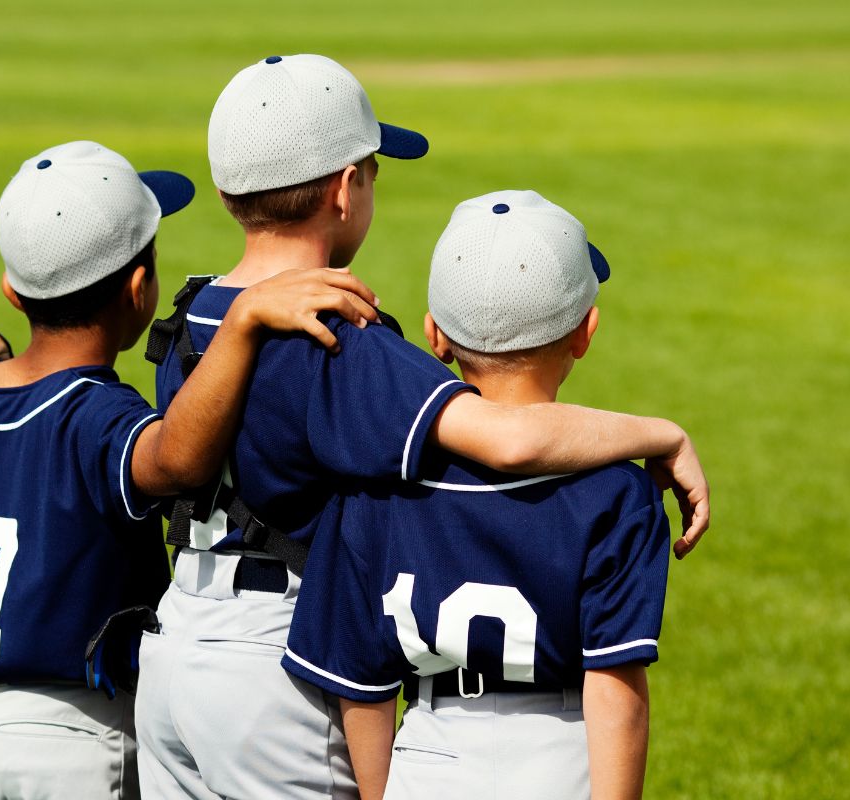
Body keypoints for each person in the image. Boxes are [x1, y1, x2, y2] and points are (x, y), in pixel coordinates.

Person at [135, 55, 707, 800]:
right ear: (346, 189)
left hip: (174, 644)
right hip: (277, 660)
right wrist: (660, 434)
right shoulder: (343, 340)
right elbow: (510, 438)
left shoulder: (195, 315)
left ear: (221, 190)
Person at [0, 140, 382, 800]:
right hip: (74, 733)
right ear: (140, 288)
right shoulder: (100, 413)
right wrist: (242, 320)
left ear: (11, 293)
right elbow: (177, 460)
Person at [283, 190, 667, 800]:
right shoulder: (617, 490)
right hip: (561, 755)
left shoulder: (378, 483)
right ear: (584, 333)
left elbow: (361, 684)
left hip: (431, 752)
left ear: (435, 335)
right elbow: (618, 696)